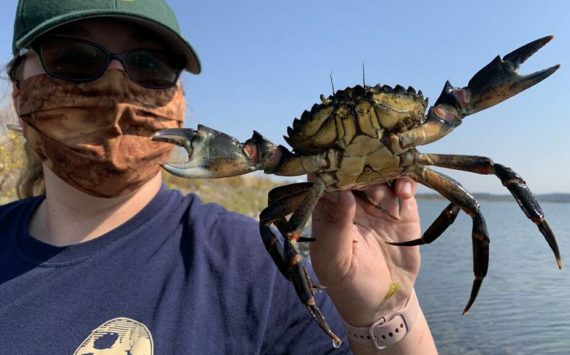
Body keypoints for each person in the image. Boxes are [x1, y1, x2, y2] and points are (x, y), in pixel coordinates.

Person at [0, 0, 437, 354]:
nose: (116, 82)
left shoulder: (261, 269)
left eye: (148, 65)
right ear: (16, 87)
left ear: (179, 98)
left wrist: (386, 312)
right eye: (74, 59)